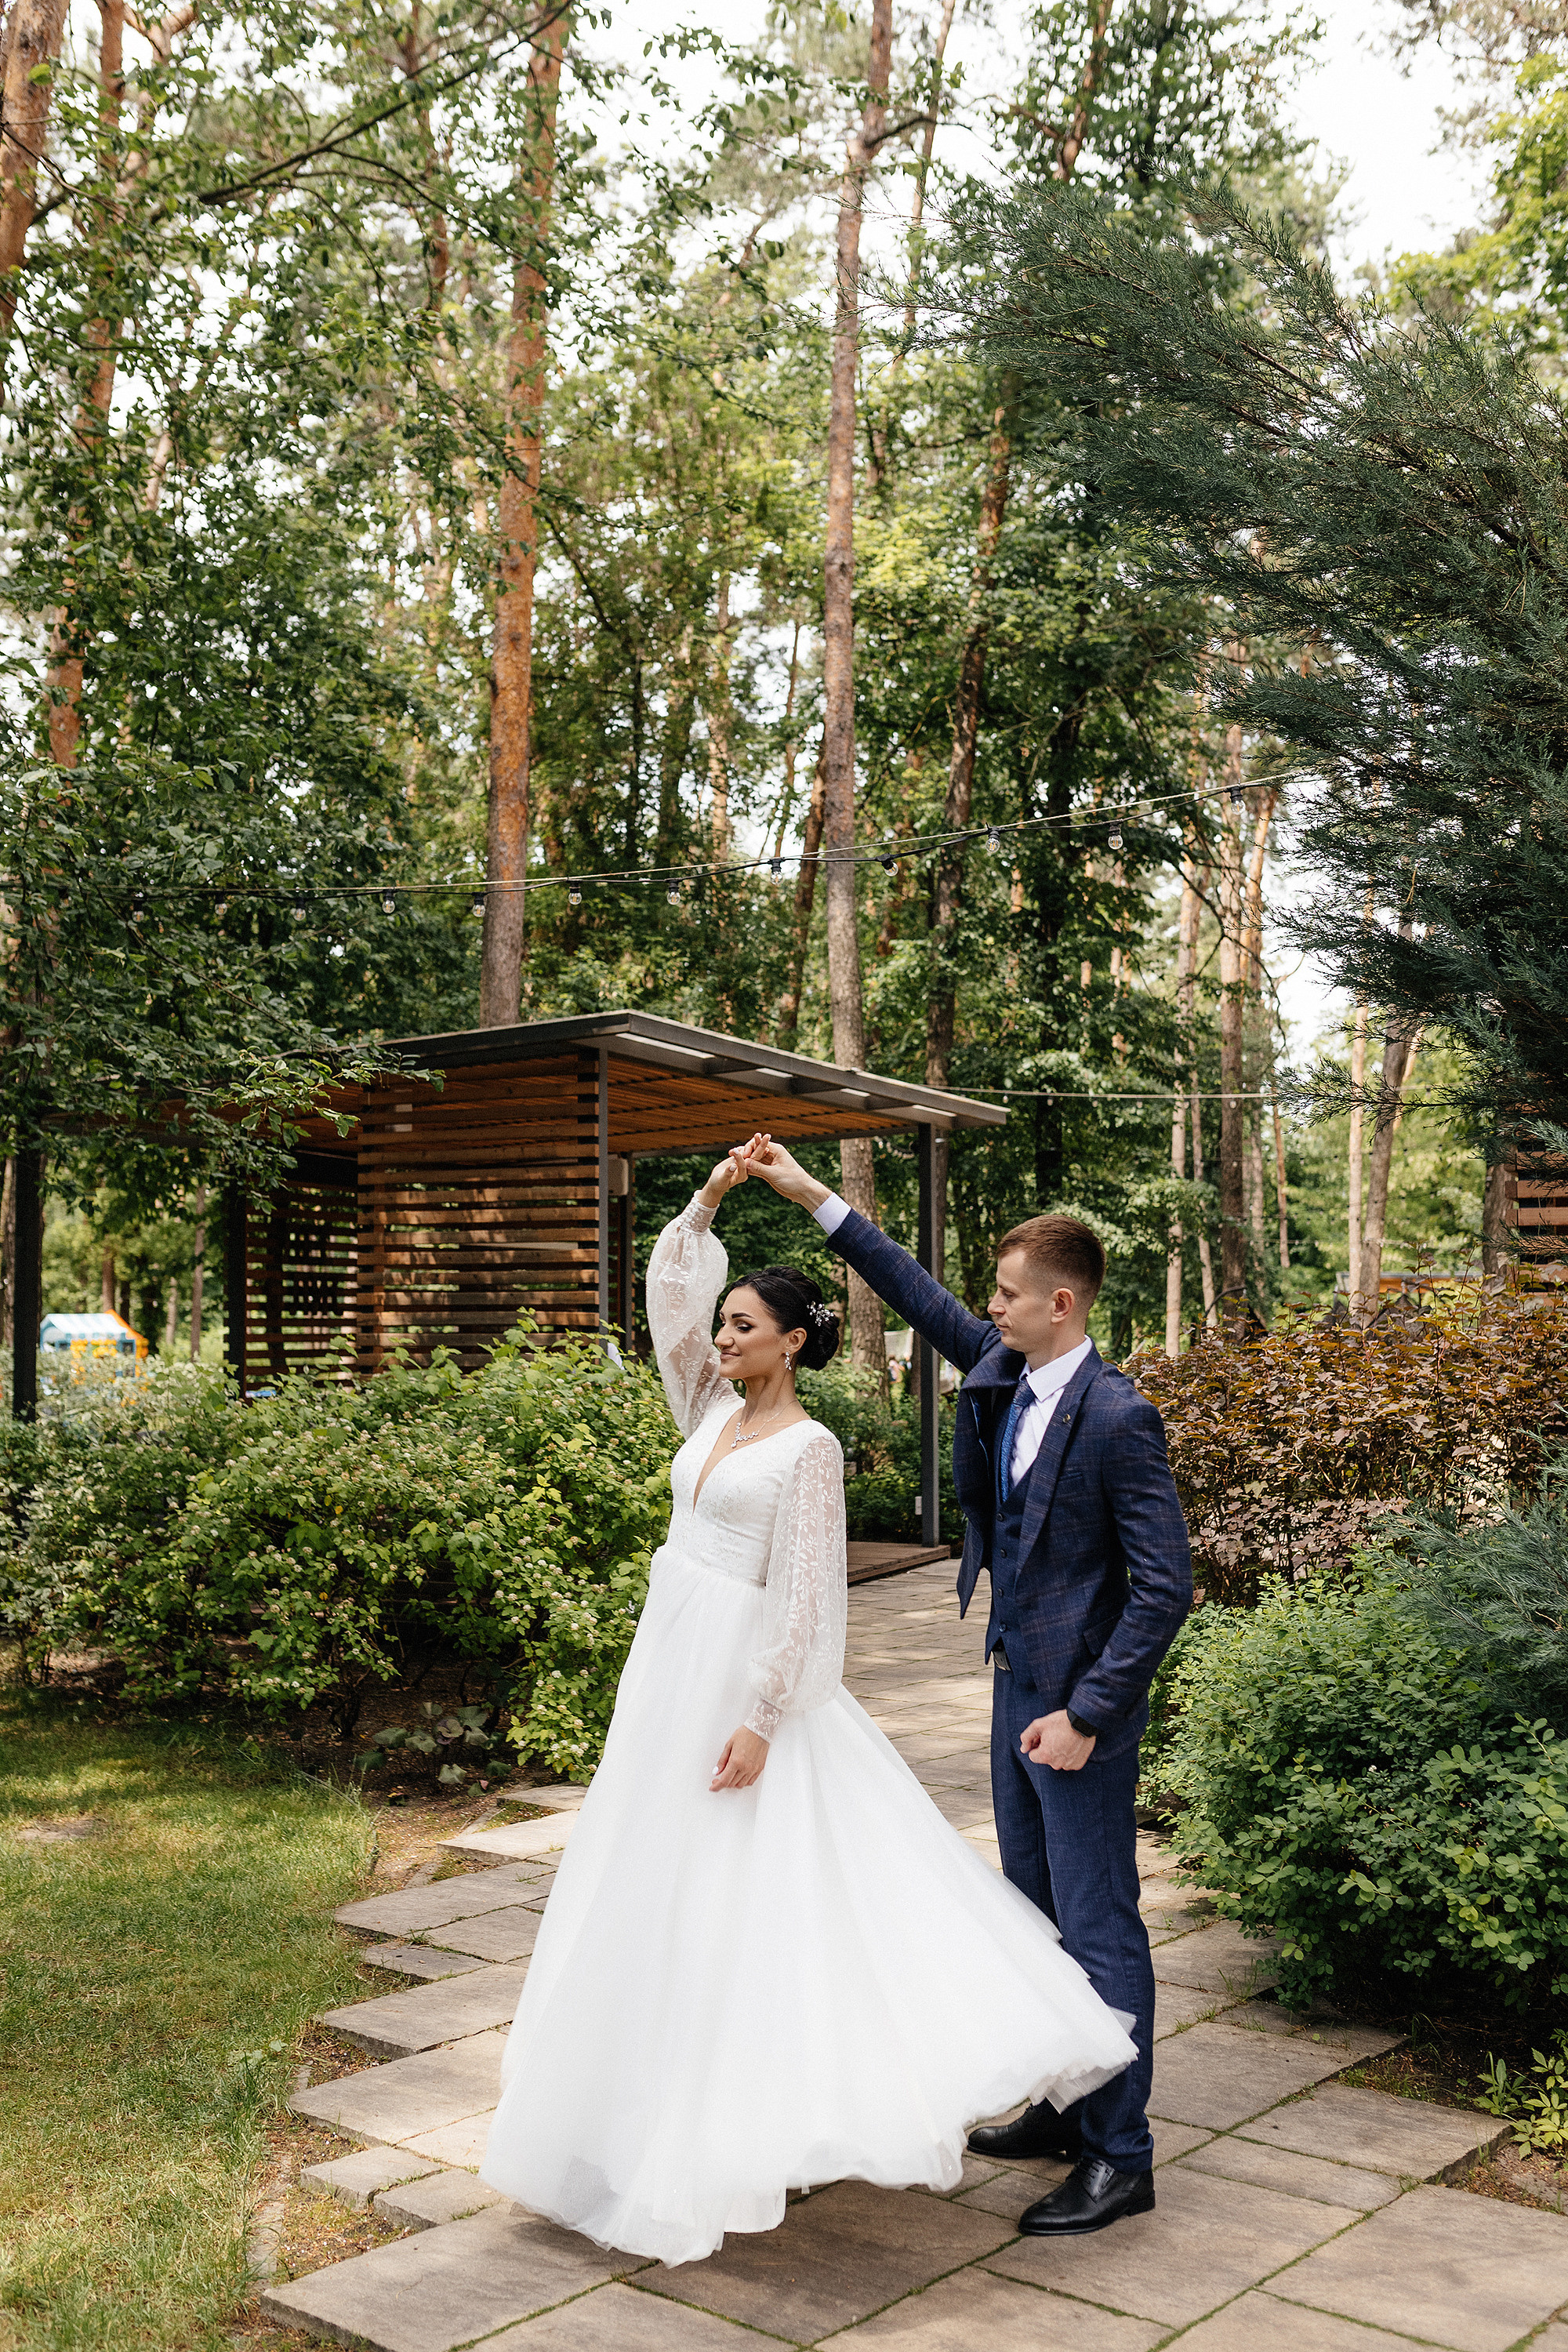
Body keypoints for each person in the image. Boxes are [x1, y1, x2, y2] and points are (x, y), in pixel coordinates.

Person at [480, 1149, 1136, 2267]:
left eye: (747, 1326)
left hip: (785, 1684)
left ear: (794, 1342)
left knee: (826, 1899)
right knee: (663, 1886)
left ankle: (1098, 2134)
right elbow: (671, 1295)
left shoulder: (826, 1445)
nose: (722, 1338)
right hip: (672, 1673)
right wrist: (723, 1198)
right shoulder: (704, 1404)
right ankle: (639, 2113)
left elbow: (807, 1600)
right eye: (723, 1323)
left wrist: (764, 1713)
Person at [741, 1134, 1192, 2239]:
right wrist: (809, 1195)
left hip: (1078, 1710)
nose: (988, 1307)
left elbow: (1165, 1589)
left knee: (1099, 1924)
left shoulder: (1122, 1417)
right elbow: (914, 1286)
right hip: (1011, 1688)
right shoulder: (1004, 1370)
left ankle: (1119, 2156)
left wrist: (1089, 1716)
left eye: (1008, 1294)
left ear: (1064, 1304)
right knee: (1030, 1915)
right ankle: (1059, 2101)